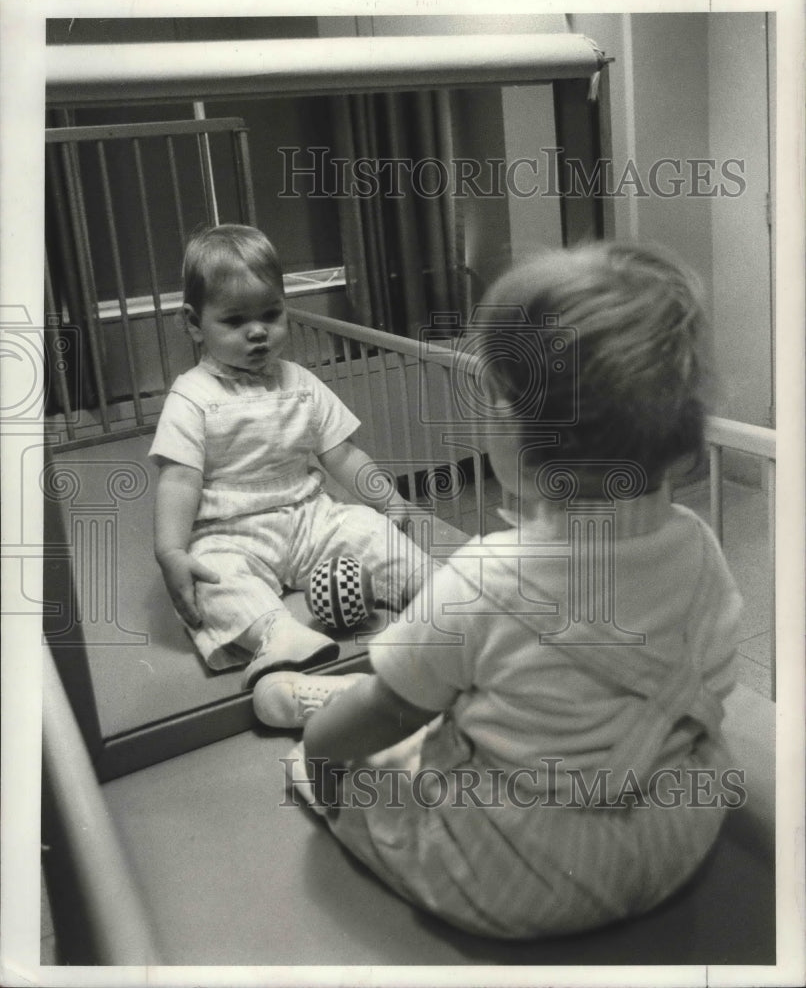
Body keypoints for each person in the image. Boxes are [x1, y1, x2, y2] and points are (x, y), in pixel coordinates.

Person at [256, 241, 744, 939]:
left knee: (390, 755)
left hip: (521, 872)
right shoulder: (698, 543)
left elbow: (383, 713)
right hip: (676, 830)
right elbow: (717, 681)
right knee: (504, 691)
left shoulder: (484, 576)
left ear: (513, 432)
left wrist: (320, 763)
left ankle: (317, 719)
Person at [150, 224, 426, 688]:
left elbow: (342, 454)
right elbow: (178, 481)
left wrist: (389, 501)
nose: (258, 332)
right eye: (235, 322)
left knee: (368, 530)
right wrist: (171, 551)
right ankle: (276, 635)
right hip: (231, 531)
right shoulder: (192, 397)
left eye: (271, 314)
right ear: (195, 324)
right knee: (212, 578)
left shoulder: (299, 382)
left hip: (309, 516)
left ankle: (435, 592)